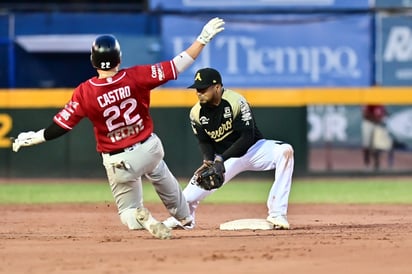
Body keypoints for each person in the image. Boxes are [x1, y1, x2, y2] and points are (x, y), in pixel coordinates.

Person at [11, 18, 225, 240]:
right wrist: (202, 39)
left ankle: (142, 217)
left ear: (93, 61)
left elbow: (62, 126)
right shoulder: (136, 77)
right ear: (119, 58)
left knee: (128, 213)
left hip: (119, 161)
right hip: (149, 148)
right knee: (158, 169)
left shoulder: (85, 92)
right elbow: (177, 64)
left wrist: (36, 137)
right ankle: (184, 216)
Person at [163, 68, 294, 230]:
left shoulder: (236, 101)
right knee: (188, 197)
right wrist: (209, 160)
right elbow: (204, 141)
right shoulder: (196, 113)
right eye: (197, 89)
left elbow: (246, 137)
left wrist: (220, 159)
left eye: (203, 89)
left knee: (285, 151)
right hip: (225, 158)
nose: (199, 92)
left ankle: (277, 213)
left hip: (254, 149)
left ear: (217, 87)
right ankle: (183, 219)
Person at [361, 104, 392, 170]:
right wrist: (376, 119)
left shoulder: (380, 101)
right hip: (369, 123)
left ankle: (376, 165)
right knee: (366, 145)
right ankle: (366, 164)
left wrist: (385, 115)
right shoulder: (369, 100)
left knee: (377, 146)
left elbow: (383, 112)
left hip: (378, 124)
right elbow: (365, 114)